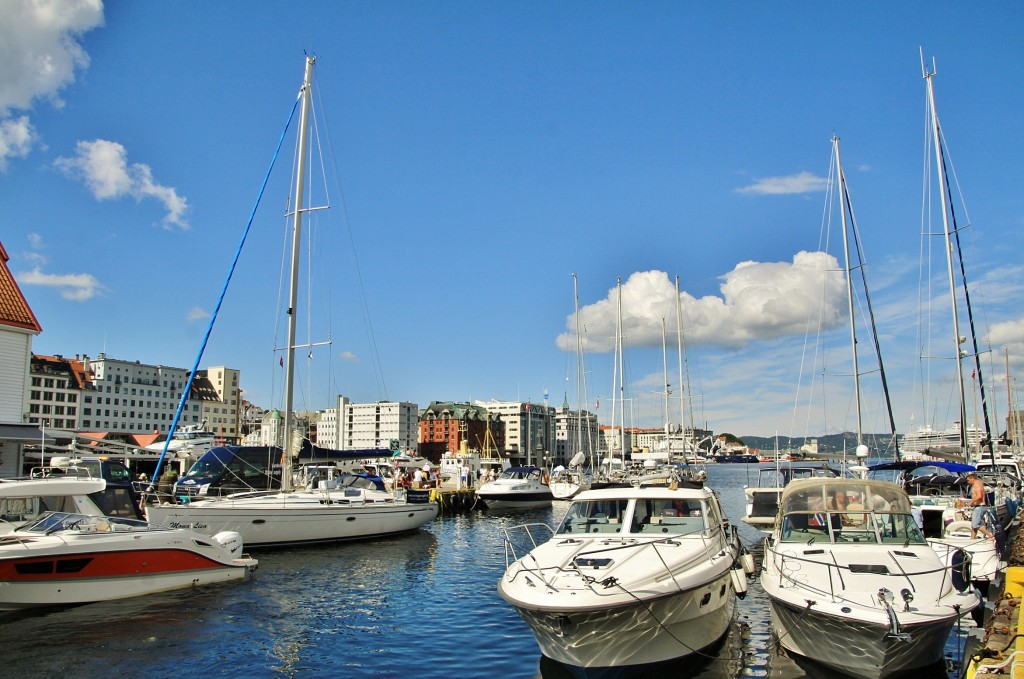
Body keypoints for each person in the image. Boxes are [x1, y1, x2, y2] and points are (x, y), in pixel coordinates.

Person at [966, 471, 994, 540]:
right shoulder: (978, 483)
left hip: (980, 507)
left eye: (968, 480)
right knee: (974, 527)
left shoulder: (977, 484)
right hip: (979, 507)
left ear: (972, 478)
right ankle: (972, 540)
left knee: (975, 525)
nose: (968, 482)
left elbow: (979, 496)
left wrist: (971, 502)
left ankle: (990, 536)